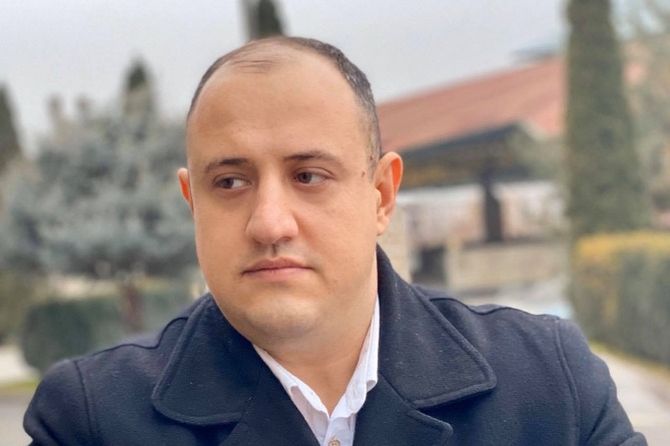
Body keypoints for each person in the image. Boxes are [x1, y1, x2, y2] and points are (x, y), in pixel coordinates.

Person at [24, 36, 646, 446]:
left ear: (381, 194)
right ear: (193, 203)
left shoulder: (549, 384)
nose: (270, 223)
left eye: (309, 176)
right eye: (230, 181)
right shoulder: (92, 419)